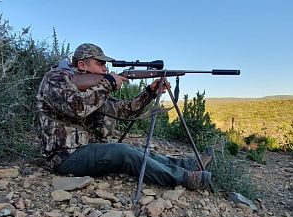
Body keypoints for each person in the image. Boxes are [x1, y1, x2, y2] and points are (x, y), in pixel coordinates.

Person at [36, 43, 212, 190]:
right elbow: (77, 108)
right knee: (122, 152)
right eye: (100, 64)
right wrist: (108, 83)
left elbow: (122, 110)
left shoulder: (92, 88)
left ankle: (189, 164)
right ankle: (183, 178)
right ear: (82, 65)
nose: (105, 69)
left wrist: (149, 93)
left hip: (86, 148)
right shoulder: (56, 79)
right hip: (65, 157)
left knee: (136, 151)